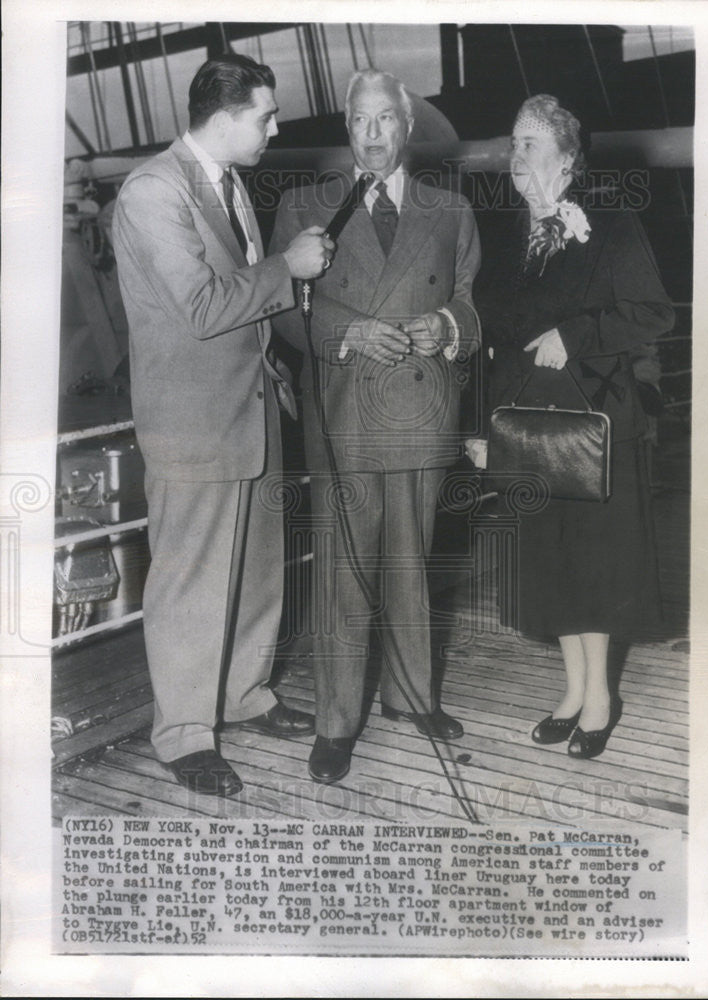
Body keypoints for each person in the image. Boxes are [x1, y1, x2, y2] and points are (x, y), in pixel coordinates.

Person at [112, 54, 335, 796]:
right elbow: (204, 307)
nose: (274, 127)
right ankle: (183, 734)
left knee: (258, 568)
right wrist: (288, 267)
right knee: (189, 581)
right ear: (225, 117)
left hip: (253, 409)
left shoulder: (228, 182)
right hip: (192, 423)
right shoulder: (153, 190)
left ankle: (243, 693)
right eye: (266, 116)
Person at [270, 69, 481, 784]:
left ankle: (411, 696)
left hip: (422, 408)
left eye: (383, 120)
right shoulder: (305, 206)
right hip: (346, 416)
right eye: (358, 121)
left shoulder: (448, 209)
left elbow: (472, 305)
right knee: (343, 574)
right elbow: (285, 313)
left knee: (410, 561)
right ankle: (335, 724)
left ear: (406, 124)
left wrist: (445, 324)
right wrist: (352, 333)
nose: (370, 135)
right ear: (347, 127)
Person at [470, 94, 674, 759]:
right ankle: (571, 690)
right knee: (549, 562)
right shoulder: (501, 231)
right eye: (511, 142)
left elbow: (651, 314)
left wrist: (576, 333)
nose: (514, 154)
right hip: (526, 424)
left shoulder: (609, 219)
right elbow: (485, 335)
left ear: (564, 153)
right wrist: (479, 427)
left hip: (594, 422)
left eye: (528, 142)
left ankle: (600, 699)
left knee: (595, 564)